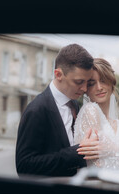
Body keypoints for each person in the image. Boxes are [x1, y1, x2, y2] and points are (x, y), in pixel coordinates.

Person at [16, 44, 99, 177]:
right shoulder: (36, 110)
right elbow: (24, 166)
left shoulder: (74, 104)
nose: (84, 88)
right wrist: (76, 153)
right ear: (58, 74)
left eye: (87, 82)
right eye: (79, 82)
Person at [74, 58, 119, 172]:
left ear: (111, 83)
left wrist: (114, 150)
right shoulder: (90, 110)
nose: (99, 87)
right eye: (92, 83)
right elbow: (97, 162)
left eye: (103, 81)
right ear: (86, 89)